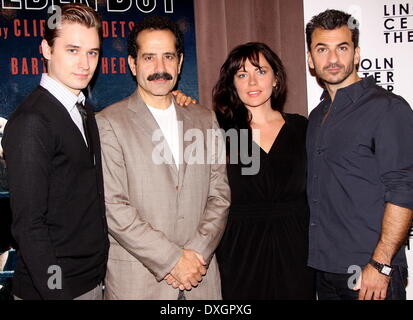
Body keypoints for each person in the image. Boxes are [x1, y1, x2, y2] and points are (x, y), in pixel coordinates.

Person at [96, 15, 230, 300]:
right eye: (149, 58)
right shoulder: (109, 122)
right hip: (138, 283)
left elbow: (219, 195)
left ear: (180, 62)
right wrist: (173, 260)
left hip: (200, 278)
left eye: (168, 57)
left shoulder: (205, 119)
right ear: (132, 64)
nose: (160, 68)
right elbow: (113, 207)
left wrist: (196, 254)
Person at [1, 4, 109, 300]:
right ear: (46, 49)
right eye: (72, 50)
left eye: (93, 52)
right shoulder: (33, 121)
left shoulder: (82, 110)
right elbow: (29, 225)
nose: (85, 64)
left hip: (91, 281)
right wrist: (57, 291)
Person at [305, 9, 413, 300]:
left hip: (370, 273)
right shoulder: (316, 117)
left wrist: (381, 264)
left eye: (342, 48)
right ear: (310, 59)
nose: (332, 59)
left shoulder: (387, 108)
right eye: (322, 49)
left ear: (356, 54)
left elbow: (403, 190)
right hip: (324, 270)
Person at [213, 42, 315, 300]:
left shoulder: (302, 128)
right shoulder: (221, 132)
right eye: (242, 74)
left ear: (276, 79)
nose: (252, 82)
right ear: (232, 84)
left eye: (260, 71)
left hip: (296, 251)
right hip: (240, 254)